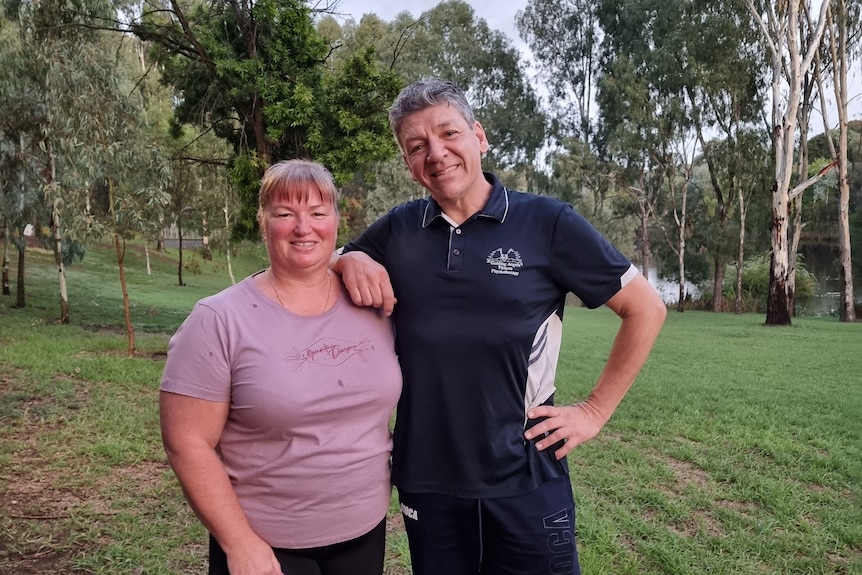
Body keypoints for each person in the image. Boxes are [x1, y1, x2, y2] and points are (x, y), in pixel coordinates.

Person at [333, 78, 667, 575]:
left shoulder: (547, 223)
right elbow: (321, 258)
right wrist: (348, 258)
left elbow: (646, 308)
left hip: (527, 476)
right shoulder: (401, 229)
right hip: (428, 479)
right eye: (417, 146)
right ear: (407, 162)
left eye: (449, 134)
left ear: (479, 136)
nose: (436, 154)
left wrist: (594, 411)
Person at [159, 159, 402, 575]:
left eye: (318, 213)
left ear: (337, 221)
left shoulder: (373, 301)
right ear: (264, 223)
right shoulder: (219, 319)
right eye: (285, 214)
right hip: (266, 545)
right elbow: (187, 442)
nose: (303, 227)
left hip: (365, 529)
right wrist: (239, 544)